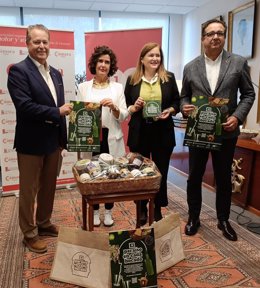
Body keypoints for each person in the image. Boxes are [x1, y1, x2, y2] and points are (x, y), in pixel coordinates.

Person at [180, 19, 255, 241]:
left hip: (226, 131)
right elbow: (184, 95)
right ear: (203, 38)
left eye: (220, 33)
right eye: (211, 33)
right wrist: (185, 107)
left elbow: (248, 94)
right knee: (194, 176)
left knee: (223, 178)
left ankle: (224, 219)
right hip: (198, 131)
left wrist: (237, 116)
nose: (215, 37)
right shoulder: (190, 67)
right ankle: (193, 217)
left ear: (224, 37)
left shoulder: (238, 63)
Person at [7, 24, 73, 253]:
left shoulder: (55, 72)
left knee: (49, 187)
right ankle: (29, 233)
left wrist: (63, 140)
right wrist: (57, 113)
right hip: (31, 143)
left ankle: (44, 223)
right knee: (29, 190)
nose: (42, 46)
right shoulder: (18, 71)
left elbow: (59, 106)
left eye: (45, 42)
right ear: (27, 44)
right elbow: (25, 107)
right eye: (36, 42)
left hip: (53, 142)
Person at [124, 42, 180, 225]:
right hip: (140, 133)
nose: (155, 58)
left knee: (160, 173)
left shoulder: (168, 78)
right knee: (139, 172)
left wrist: (170, 110)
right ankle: (140, 208)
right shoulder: (132, 79)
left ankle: (156, 207)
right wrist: (135, 106)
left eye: (158, 55)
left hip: (162, 132)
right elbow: (126, 106)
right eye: (151, 55)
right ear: (142, 59)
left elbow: (177, 102)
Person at [77, 45, 128, 227]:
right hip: (92, 138)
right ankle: (95, 210)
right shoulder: (83, 87)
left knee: (110, 175)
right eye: (100, 61)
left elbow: (124, 115)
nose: (103, 65)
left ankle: (108, 212)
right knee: (92, 174)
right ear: (94, 63)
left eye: (107, 62)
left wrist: (114, 107)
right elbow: (79, 114)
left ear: (111, 66)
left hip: (110, 137)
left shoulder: (117, 87)